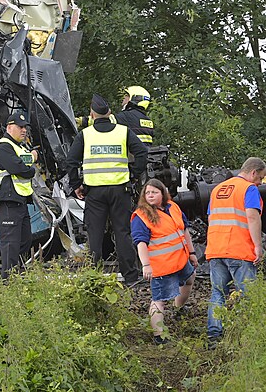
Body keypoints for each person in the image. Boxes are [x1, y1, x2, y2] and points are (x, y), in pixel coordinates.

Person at [67, 94, 148, 286]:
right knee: (122, 232)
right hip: (120, 189)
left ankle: (94, 276)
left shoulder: (85, 135)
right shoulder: (123, 132)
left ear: (92, 114)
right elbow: (142, 153)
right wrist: (133, 175)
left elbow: (70, 161)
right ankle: (130, 277)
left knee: (94, 233)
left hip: (94, 192)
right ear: (110, 113)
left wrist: (76, 184)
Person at [205, 156, 265, 346]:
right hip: (239, 249)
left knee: (218, 293)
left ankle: (214, 335)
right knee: (249, 294)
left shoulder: (217, 190)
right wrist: (258, 246)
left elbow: (210, 218)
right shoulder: (249, 188)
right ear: (253, 172)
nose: (260, 182)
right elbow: (252, 217)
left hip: (216, 249)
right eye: (261, 177)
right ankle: (252, 336)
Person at [131, 179, 198, 344]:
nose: (150, 195)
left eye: (154, 192)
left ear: (163, 193)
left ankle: (178, 308)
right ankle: (159, 337)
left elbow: (184, 230)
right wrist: (146, 265)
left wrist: (191, 252)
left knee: (189, 279)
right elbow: (141, 243)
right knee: (159, 300)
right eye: (147, 193)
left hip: (180, 259)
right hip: (161, 265)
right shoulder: (142, 216)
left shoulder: (172, 207)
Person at [0, 110, 38, 280]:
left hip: (20, 200)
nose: (24, 130)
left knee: (24, 241)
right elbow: (19, 168)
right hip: (8, 200)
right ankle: (8, 282)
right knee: (10, 244)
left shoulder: (18, 147)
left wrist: (28, 162)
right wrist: (31, 165)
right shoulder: (3, 147)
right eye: (20, 127)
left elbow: (22, 164)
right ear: (10, 127)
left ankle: (17, 277)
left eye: (25, 127)